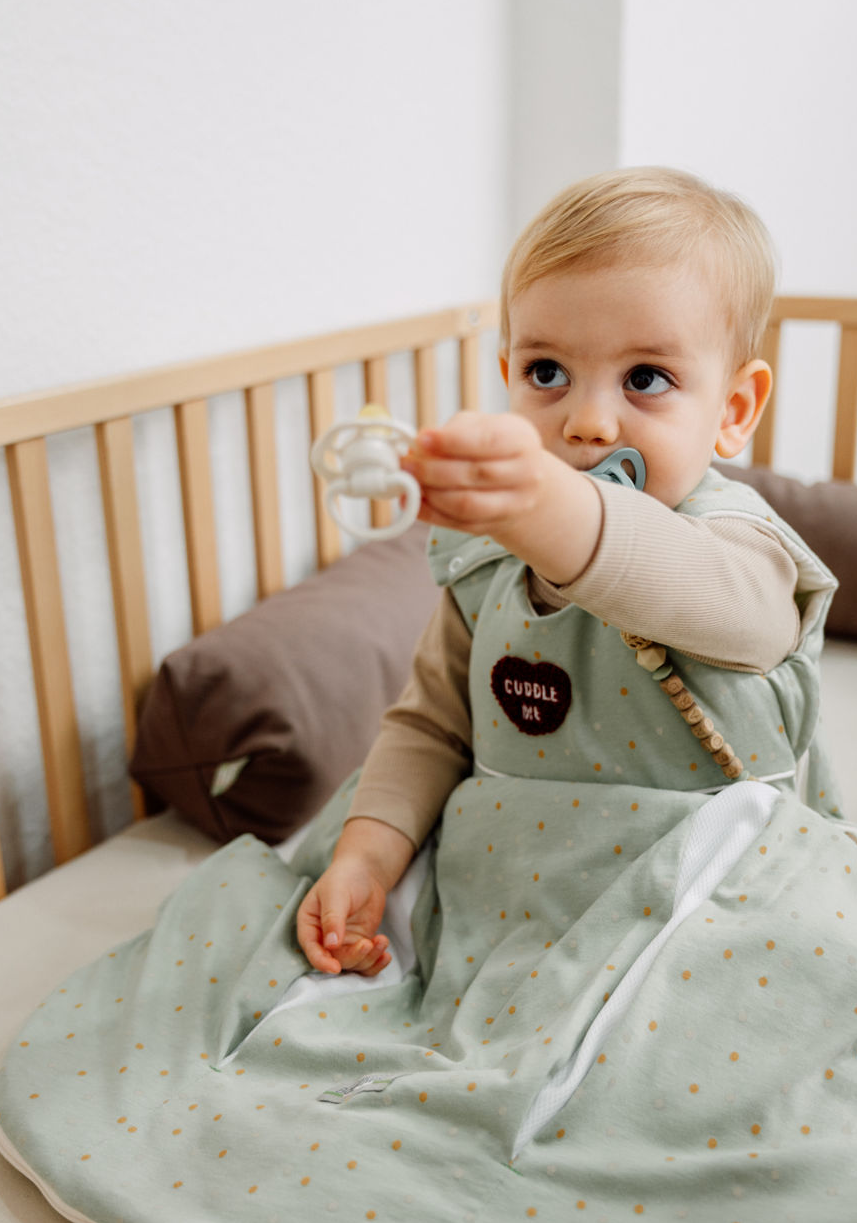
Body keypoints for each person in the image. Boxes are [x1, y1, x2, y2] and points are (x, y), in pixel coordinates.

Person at [297, 166, 818, 976]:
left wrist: (546, 506)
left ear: (734, 410)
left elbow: (719, 604)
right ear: (508, 373)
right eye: (547, 373)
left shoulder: (740, 550)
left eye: (646, 378)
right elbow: (431, 726)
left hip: (704, 897)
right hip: (514, 895)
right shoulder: (486, 567)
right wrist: (367, 855)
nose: (586, 422)